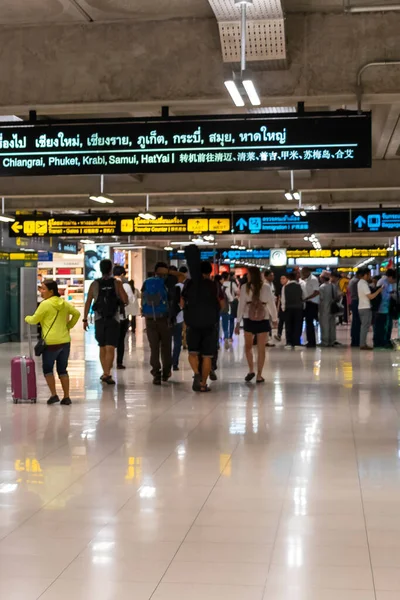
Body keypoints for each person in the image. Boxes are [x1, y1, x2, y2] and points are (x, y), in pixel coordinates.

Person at [25, 280, 80, 405]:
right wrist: (68, 326)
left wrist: (27, 318)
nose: (41, 291)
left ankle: (54, 395)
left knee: (48, 369)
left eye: (44, 289)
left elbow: (34, 320)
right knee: (62, 370)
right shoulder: (64, 304)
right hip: (65, 341)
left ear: (51, 291)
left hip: (50, 343)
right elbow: (76, 313)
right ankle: (66, 397)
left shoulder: (45, 304)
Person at [183, 245, 222, 392]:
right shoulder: (214, 285)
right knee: (207, 356)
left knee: (193, 352)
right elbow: (222, 304)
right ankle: (204, 384)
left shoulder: (189, 284)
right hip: (209, 325)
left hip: (193, 323)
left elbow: (182, 301)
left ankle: (197, 374)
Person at [83, 259, 128, 385]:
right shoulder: (116, 283)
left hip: (99, 319)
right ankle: (107, 373)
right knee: (110, 347)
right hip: (113, 319)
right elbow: (125, 299)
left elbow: (88, 302)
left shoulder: (94, 284)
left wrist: (85, 319)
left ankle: (105, 372)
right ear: (110, 269)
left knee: (102, 346)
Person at [235, 266, 277, 383]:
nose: (247, 276)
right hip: (263, 318)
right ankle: (259, 375)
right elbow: (271, 303)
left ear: (251, 275)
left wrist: (238, 322)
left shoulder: (245, 287)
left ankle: (251, 370)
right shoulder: (266, 287)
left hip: (248, 318)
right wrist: (274, 318)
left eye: (248, 274)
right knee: (261, 348)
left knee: (248, 347)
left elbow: (241, 305)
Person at [142, 262, 172, 385]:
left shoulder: (146, 282)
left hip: (149, 319)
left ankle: (156, 373)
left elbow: (143, 298)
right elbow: (170, 300)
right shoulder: (167, 283)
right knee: (166, 347)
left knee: (154, 347)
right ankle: (166, 372)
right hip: (164, 318)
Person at [113, 265, 135, 369]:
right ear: (122, 274)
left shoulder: (109, 283)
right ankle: (119, 362)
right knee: (121, 340)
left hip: (110, 316)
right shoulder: (125, 285)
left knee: (109, 341)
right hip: (122, 316)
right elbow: (131, 299)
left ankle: (108, 363)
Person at [357, 268, 382, 350]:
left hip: (362, 307)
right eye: (369, 274)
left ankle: (363, 343)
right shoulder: (363, 284)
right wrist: (379, 291)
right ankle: (362, 344)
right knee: (365, 326)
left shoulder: (360, 283)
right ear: (365, 275)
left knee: (364, 326)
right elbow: (370, 296)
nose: (370, 276)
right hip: (365, 307)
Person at [374, 268, 396, 348]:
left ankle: (383, 341)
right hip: (380, 309)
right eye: (394, 280)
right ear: (390, 277)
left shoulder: (388, 283)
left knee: (384, 326)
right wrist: (390, 295)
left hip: (385, 309)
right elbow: (381, 296)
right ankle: (378, 342)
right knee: (379, 327)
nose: (394, 282)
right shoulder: (382, 282)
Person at [281, 272, 304, 349]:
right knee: (297, 325)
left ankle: (289, 342)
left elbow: (283, 299)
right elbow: (304, 296)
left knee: (288, 325)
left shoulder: (285, 287)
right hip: (298, 308)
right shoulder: (300, 285)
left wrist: (283, 308)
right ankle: (297, 342)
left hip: (288, 308)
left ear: (288, 278)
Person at [318, 271, 341, 347]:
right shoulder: (333, 286)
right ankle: (332, 340)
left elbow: (320, 298)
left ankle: (325, 341)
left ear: (323, 278)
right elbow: (337, 296)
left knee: (325, 325)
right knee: (332, 325)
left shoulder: (322, 287)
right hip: (332, 308)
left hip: (324, 308)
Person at [301, 267, 320, 348]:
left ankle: (312, 342)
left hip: (312, 303)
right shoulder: (306, 280)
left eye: (303, 272)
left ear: (308, 272)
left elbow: (317, 292)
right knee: (308, 323)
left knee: (310, 323)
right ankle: (309, 341)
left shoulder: (313, 279)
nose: (302, 274)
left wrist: (307, 298)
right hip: (308, 303)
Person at [221, 271, 239, 349]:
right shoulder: (232, 284)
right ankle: (230, 336)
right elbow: (237, 293)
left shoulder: (220, 285)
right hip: (230, 305)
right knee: (231, 320)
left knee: (223, 322)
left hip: (220, 306)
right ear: (228, 277)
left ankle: (223, 336)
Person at [172, 271, 185, 371]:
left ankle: (166, 362)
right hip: (179, 317)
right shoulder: (182, 287)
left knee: (166, 342)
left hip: (166, 317)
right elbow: (183, 303)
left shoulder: (166, 286)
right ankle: (174, 363)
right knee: (177, 341)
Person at [348, 270, 362, 347]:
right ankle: (356, 340)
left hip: (354, 301)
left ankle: (354, 339)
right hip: (357, 301)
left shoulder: (352, 281)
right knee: (357, 321)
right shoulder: (357, 281)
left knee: (355, 321)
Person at [275, 274, 288, 342]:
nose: (282, 280)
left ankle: (288, 336)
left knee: (287, 322)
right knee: (281, 321)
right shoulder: (280, 287)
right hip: (281, 306)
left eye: (283, 278)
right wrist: (277, 308)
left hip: (287, 307)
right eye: (281, 279)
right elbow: (279, 298)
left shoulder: (288, 287)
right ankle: (279, 334)